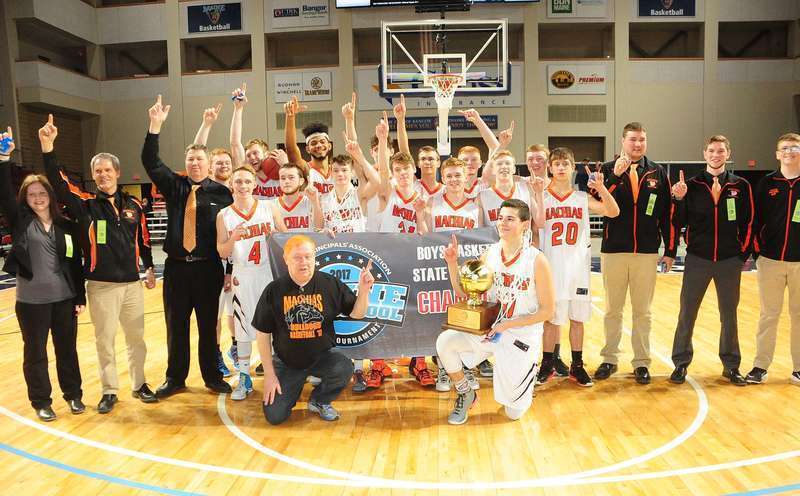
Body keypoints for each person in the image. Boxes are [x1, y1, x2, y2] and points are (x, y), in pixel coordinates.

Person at [40, 115, 158, 414]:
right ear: (93, 176)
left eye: (107, 170)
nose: (103, 174)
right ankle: (109, 390)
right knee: (105, 341)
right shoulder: (85, 204)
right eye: (98, 171)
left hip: (132, 285)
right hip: (101, 286)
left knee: (137, 340)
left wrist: (148, 267)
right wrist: (48, 147)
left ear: (117, 172)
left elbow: (143, 239)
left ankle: (139, 384)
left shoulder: (133, 206)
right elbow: (59, 184)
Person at [142, 95, 233, 398]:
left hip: (208, 268)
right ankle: (175, 378)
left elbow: (230, 235)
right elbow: (150, 161)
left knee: (208, 326)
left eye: (200, 159)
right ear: (186, 163)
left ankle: (212, 376)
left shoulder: (223, 194)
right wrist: (155, 126)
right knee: (176, 326)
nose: (195, 163)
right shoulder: (175, 186)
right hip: (177, 269)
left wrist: (229, 270)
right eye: (190, 159)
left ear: (209, 164)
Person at [438, 199, 555, 424]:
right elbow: (465, 293)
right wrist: (452, 263)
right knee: (446, 342)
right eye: (500, 218)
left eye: (510, 219)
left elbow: (548, 311)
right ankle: (465, 393)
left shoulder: (537, 260)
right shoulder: (490, 254)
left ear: (525, 225)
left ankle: (525, 379)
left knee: (513, 413)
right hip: (491, 330)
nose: (503, 223)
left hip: (521, 335)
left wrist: (507, 325)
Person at [0, 126, 86, 422]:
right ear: (24, 198)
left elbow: (74, 264)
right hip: (31, 303)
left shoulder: (66, 226)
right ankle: (41, 401)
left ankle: (73, 395)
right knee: (35, 354)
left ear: (50, 195)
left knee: (67, 351)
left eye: (41, 193)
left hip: (64, 300)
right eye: (31, 194)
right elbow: (4, 194)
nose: (37, 198)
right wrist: (4, 158)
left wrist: (79, 297)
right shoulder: (20, 222)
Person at [254, 234, 374, 424]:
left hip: (322, 357)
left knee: (343, 367)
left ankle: (320, 400)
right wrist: (269, 375)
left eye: (308, 256)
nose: (304, 262)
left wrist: (364, 291)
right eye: (297, 257)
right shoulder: (274, 290)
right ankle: (294, 385)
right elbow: (262, 334)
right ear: (286, 259)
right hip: (288, 362)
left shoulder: (330, 284)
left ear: (314, 257)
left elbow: (357, 314)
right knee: (275, 416)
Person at [594, 122, 676, 385]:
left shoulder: (658, 173)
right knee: (612, 310)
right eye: (633, 139)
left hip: (646, 253)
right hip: (614, 251)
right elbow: (597, 202)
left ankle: (641, 362)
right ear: (623, 141)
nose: (638, 144)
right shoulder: (606, 170)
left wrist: (670, 250)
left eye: (642, 139)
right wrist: (615, 177)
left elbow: (667, 214)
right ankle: (609, 359)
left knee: (643, 312)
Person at [669, 135, 753, 386]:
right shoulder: (691, 185)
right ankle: (681, 363)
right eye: (712, 151)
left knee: (729, 315)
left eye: (721, 151)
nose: (716, 155)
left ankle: (731, 366)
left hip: (729, 261)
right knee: (687, 313)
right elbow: (678, 221)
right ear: (704, 154)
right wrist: (678, 199)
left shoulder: (741, 185)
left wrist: (742, 253)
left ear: (728, 154)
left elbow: (749, 221)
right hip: (698, 259)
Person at [536, 147, 619, 387]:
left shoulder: (581, 198)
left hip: (577, 269)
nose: (561, 168)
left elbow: (613, 211)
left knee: (577, 319)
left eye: (566, 164)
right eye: (557, 164)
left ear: (573, 168)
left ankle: (577, 365)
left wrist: (601, 188)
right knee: (551, 320)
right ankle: (547, 364)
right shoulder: (541, 197)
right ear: (550, 168)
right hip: (551, 268)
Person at [217, 165, 287, 401]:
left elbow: (285, 237)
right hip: (243, 274)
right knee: (243, 329)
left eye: (247, 181)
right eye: (238, 182)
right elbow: (222, 251)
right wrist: (233, 238)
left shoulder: (269, 207)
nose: (243, 186)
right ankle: (244, 377)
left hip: (268, 272)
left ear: (254, 184)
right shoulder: (224, 215)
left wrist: (277, 236)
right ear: (231, 184)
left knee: (274, 325)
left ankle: (276, 372)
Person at [747, 133, 800, 385]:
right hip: (770, 261)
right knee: (769, 315)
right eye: (785, 148)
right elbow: (755, 220)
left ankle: (799, 368)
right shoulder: (766, 183)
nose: (789, 152)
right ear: (778, 154)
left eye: (795, 147)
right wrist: (758, 253)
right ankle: (760, 366)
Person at [284, 95, 335, 195]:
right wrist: (290, 117)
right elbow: (291, 149)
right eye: (314, 143)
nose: (319, 145)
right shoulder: (305, 169)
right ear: (307, 149)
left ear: (329, 146)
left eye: (322, 142)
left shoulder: (337, 170)